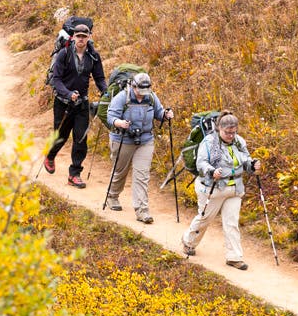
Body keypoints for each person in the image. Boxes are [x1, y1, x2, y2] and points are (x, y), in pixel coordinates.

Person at [181, 110, 261, 270]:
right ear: (219, 129)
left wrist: (252, 165)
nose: (231, 135)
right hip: (211, 188)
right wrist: (212, 171)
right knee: (205, 218)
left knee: (231, 222)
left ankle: (234, 257)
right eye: (227, 132)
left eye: (233, 132)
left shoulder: (239, 141)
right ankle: (188, 242)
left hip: (234, 189)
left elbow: (245, 159)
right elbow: (201, 163)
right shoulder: (209, 142)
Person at [43, 22, 108, 188]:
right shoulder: (64, 54)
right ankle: (50, 156)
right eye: (78, 36)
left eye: (84, 36)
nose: (81, 39)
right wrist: (68, 94)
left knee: (80, 138)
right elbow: (56, 80)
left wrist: (105, 92)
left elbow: (99, 78)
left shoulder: (93, 56)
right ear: (73, 37)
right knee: (61, 136)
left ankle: (74, 174)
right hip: (63, 103)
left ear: (88, 37)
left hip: (82, 104)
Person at [105, 72, 174, 224]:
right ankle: (112, 195)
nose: (142, 95)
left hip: (145, 139)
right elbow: (110, 116)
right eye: (140, 91)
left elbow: (158, 112)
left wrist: (166, 115)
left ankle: (142, 210)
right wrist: (119, 123)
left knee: (142, 175)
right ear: (133, 86)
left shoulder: (151, 97)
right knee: (120, 171)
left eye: (145, 91)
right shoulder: (122, 97)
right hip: (123, 138)